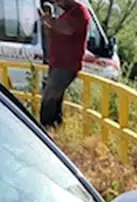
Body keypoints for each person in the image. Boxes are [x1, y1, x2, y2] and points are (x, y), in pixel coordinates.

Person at [39, 0, 89, 129]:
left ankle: (46, 130)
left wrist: (50, 21)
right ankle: (55, 129)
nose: (57, 3)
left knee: (49, 99)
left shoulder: (79, 11)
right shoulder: (67, 13)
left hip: (66, 65)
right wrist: (48, 25)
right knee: (54, 101)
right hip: (58, 63)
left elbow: (67, 29)